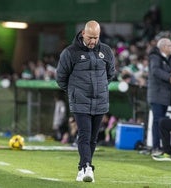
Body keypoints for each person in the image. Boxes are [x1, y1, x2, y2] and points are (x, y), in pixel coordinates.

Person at [56, 20, 115, 183]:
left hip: (100, 102)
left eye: (96, 37)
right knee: (84, 134)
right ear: (83, 33)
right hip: (80, 102)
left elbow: (110, 74)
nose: (93, 41)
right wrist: (74, 92)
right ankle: (88, 167)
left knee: (93, 138)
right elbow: (60, 78)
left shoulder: (106, 51)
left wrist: (101, 89)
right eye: (90, 37)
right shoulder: (70, 52)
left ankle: (82, 168)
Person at [147, 38, 171, 154]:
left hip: (164, 95)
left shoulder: (168, 59)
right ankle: (156, 147)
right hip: (157, 94)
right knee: (157, 121)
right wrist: (170, 77)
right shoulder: (155, 57)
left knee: (160, 121)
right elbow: (155, 71)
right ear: (164, 47)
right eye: (170, 46)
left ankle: (160, 147)